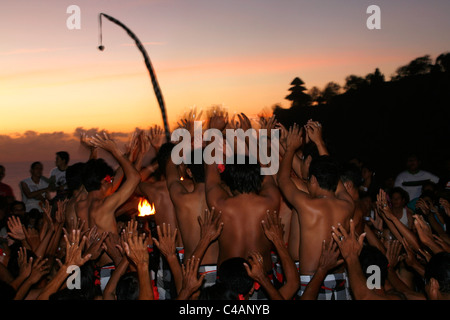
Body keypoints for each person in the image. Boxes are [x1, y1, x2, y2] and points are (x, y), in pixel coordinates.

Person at [204, 113, 281, 299]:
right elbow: (267, 169)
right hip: (263, 280)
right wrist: (249, 137)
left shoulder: (220, 204)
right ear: (258, 177)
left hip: (228, 284)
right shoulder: (271, 201)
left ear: (228, 179)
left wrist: (213, 132)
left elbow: (210, 169)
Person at [277, 123, 355, 300]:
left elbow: (283, 180)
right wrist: (319, 142)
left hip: (312, 281)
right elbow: (335, 176)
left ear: (312, 180)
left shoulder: (307, 205)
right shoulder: (347, 204)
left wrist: (290, 149)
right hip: (340, 279)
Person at [83, 132, 141, 290]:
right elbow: (135, 178)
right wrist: (115, 151)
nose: (113, 183)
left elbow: (116, 179)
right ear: (104, 181)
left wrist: (131, 155)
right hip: (114, 268)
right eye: (110, 180)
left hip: (100, 269)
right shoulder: (104, 205)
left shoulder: (82, 203)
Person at [165, 146, 219, 288]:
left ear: (189, 171)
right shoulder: (222, 197)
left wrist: (184, 143)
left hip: (191, 269)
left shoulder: (181, 198)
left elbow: (170, 167)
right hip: (218, 268)